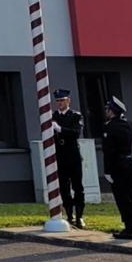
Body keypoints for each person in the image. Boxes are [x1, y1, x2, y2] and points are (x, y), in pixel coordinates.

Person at [100, 97, 132, 240]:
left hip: (117, 165)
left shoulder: (109, 126)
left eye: (107, 109)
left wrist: (107, 171)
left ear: (112, 111)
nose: (106, 111)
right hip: (129, 162)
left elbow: (108, 151)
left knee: (122, 197)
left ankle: (129, 228)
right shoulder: (128, 124)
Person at [50, 88, 87, 229]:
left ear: (68, 101)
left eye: (62, 100)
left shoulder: (75, 116)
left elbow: (76, 133)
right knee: (64, 188)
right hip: (60, 157)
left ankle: (79, 216)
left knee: (78, 187)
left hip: (73, 156)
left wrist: (60, 129)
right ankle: (69, 214)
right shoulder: (53, 116)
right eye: (58, 101)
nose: (60, 103)